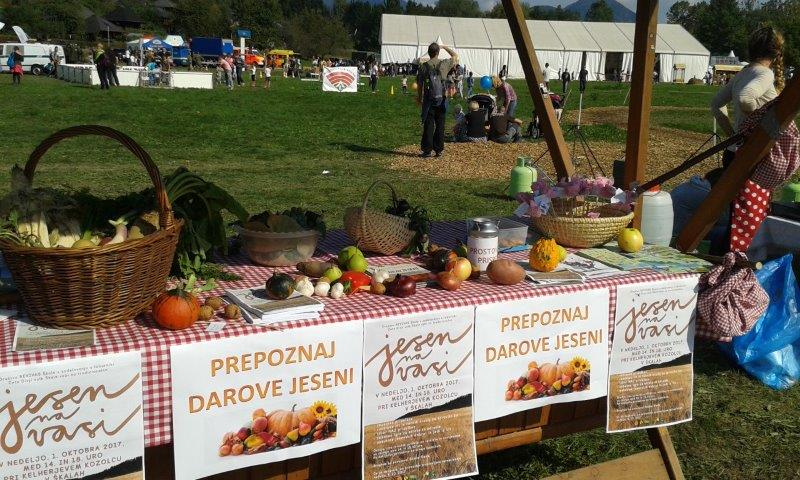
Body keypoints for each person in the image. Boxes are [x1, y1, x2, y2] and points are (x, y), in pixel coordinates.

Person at [416, 42, 459, 158]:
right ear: (437, 52)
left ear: (429, 53)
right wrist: (444, 47)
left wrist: (419, 98)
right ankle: (438, 150)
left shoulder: (423, 67)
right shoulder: (444, 64)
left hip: (428, 100)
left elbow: (420, 85)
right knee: (440, 125)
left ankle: (427, 150)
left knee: (428, 125)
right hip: (442, 99)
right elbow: (455, 56)